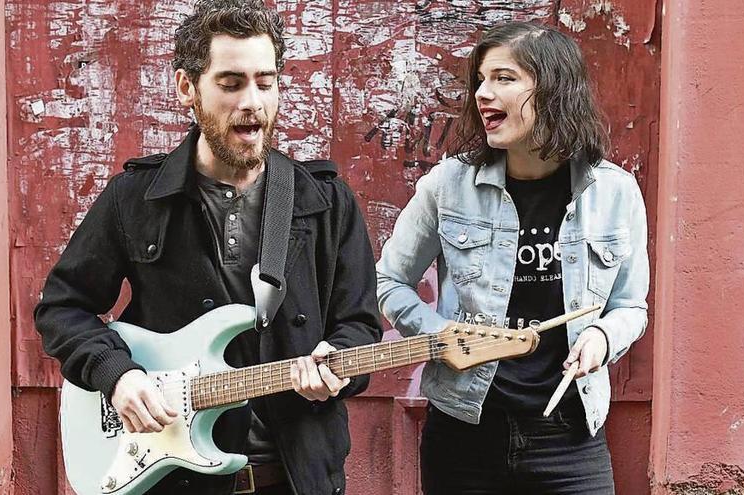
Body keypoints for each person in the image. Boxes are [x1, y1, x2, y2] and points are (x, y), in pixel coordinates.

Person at [34, 1, 382, 493]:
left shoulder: (324, 200)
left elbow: (361, 324)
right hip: (176, 476)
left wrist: (339, 360)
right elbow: (63, 308)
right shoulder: (135, 198)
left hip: (297, 474)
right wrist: (118, 375)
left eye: (266, 81)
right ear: (186, 88)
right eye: (231, 82)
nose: (253, 102)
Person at [375, 21, 648, 494]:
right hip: (465, 430)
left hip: (569, 434)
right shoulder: (448, 186)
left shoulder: (615, 193)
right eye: (481, 79)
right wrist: (446, 335)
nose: (483, 93)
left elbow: (631, 306)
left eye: (504, 78)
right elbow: (388, 283)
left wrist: (603, 338)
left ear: (554, 91)